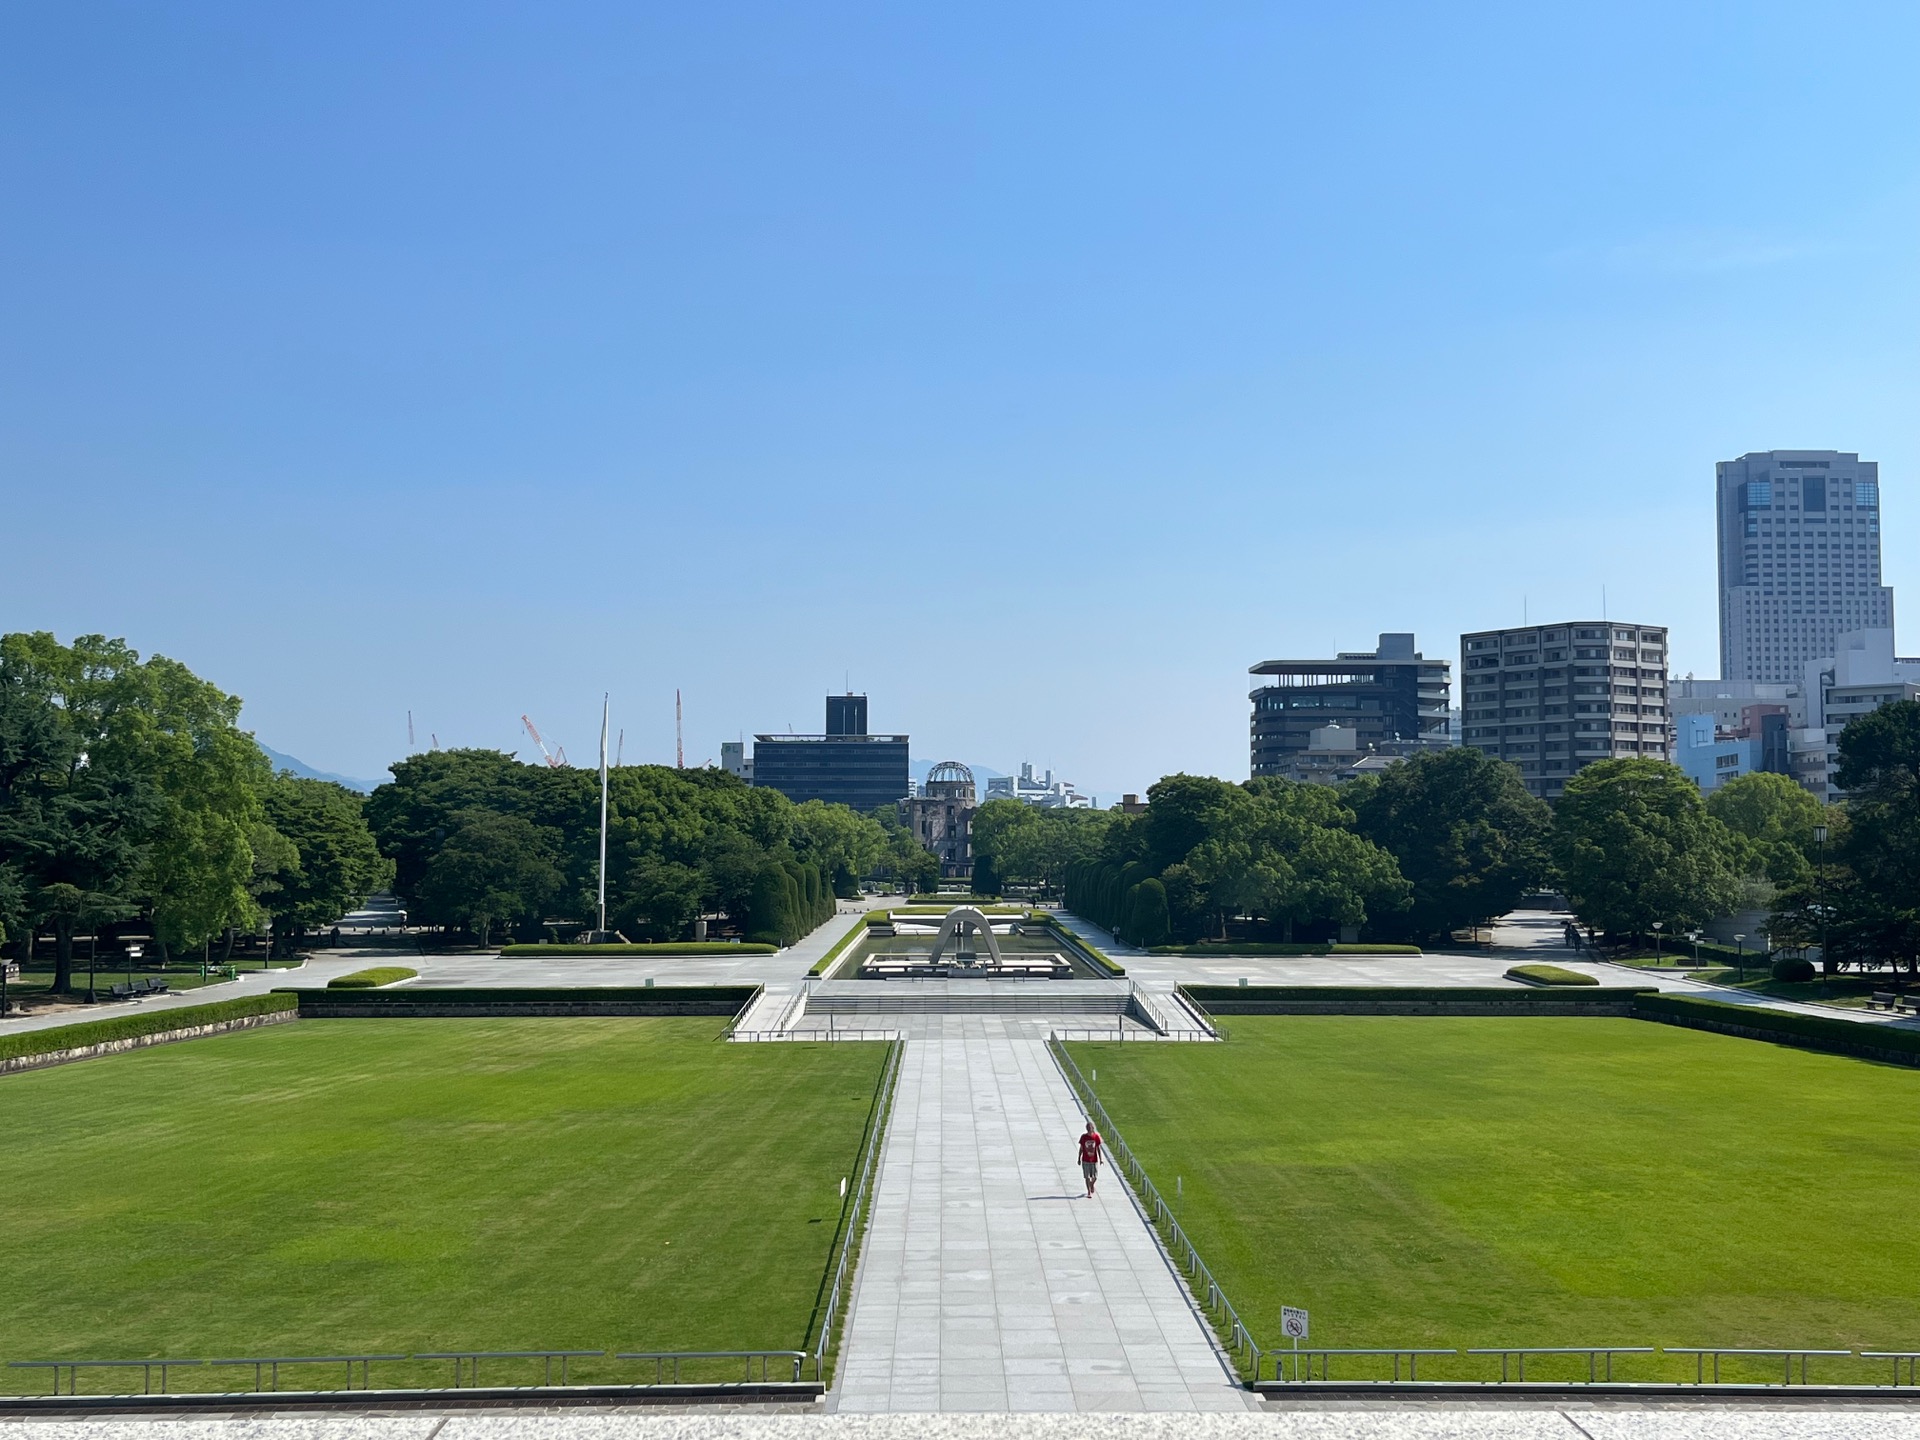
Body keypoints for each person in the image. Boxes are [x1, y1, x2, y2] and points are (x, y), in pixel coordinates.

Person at [1077, 1121, 1103, 1198]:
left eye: (1090, 1128)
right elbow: (1081, 1148)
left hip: (1094, 1160)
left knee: (1095, 1177)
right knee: (1087, 1177)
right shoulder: (1083, 1137)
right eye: (1088, 1128)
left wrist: (1101, 1159)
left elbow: (1098, 1149)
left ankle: (1091, 1184)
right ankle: (1088, 1191)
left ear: (1092, 1128)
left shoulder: (1096, 1137)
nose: (1089, 1129)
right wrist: (1079, 1158)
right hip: (1085, 1160)